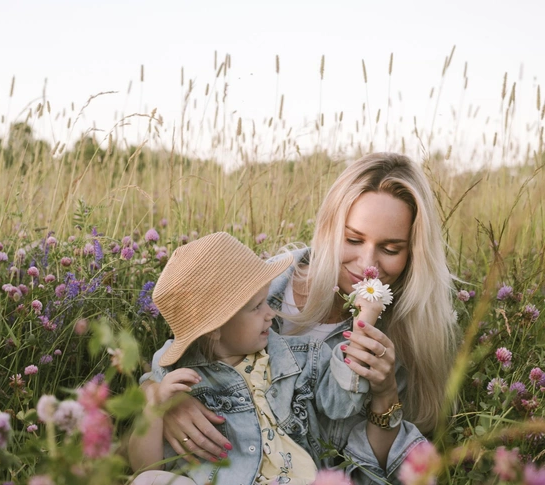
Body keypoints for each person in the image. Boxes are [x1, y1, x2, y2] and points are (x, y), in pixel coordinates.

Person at [145, 153, 460, 484]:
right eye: (352, 239)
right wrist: (166, 402)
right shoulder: (265, 285)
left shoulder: (402, 333)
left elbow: (370, 469)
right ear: (327, 229)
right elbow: (186, 347)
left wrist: (384, 395)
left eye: (391, 249)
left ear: (413, 254)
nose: (368, 264)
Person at [128, 232, 370, 485]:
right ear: (213, 328)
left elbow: (340, 405)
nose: (270, 314)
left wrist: (361, 333)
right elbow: (144, 466)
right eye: (256, 307)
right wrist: (153, 411)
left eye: (266, 301)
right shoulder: (174, 374)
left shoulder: (297, 356)